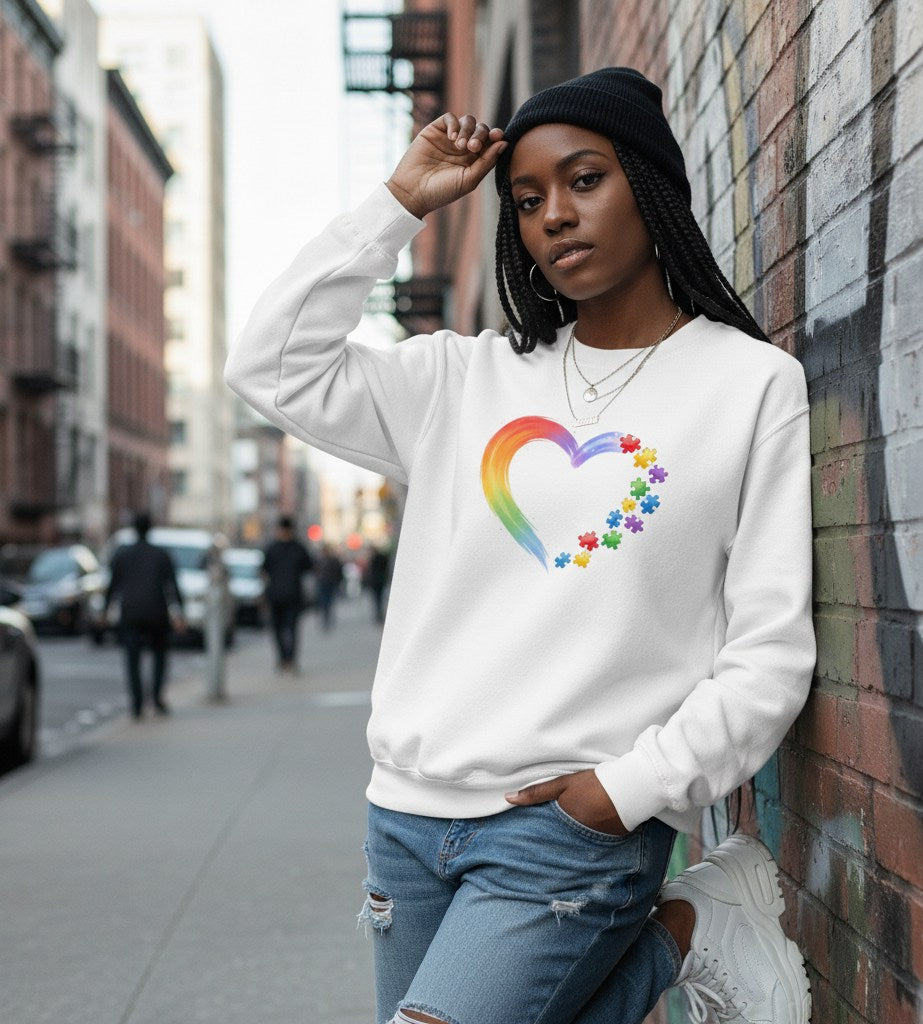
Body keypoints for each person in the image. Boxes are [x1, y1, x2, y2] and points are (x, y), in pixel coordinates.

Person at [226, 67, 815, 1024]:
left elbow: (771, 651)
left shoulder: (749, 386)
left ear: (651, 185)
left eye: (586, 180)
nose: (554, 216)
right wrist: (399, 203)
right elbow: (270, 366)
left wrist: (630, 791)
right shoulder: (465, 379)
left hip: (569, 830)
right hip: (405, 824)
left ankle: (677, 929)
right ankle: (692, 933)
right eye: (528, 198)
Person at [102, 511, 184, 719]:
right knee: (159, 657)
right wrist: (180, 612)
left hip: (130, 613)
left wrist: (105, 610)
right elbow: (173, 585)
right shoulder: (161, 554)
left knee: (132, 660)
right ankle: (156, 698)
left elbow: (112, 586)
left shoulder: (122, 554)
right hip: (157, 612)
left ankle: (137, 705)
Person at [262, 515, 313, 672]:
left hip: (279, 595)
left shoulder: (272, 548)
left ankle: (285, 659)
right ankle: (288, 659)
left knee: (281, 629)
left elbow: (264, 571)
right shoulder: (298, 547)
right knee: (290, 629)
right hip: (291, 595)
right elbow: (309, 567)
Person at [315, 543, 345, 630]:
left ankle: (328, 617)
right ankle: (325, 618)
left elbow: (339, 571)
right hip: (322, 583)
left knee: (329, 601)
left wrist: (338, 581)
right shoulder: (319, 560)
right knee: (324, 602)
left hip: (331, 583)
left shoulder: (333, 560)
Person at [362, 545, 391, 625]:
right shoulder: (382, 557)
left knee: (377, 599)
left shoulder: (373, 559)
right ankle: (380, 614)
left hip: (375, 582)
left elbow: (370, 571)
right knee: (380, 598)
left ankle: (379, 614)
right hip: (380, 581)